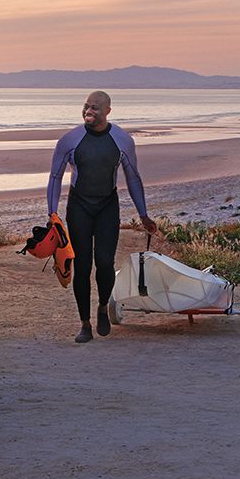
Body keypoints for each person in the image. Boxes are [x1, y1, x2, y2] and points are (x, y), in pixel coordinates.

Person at [46, 92, 154, 344]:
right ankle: (85, 324)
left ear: (107, 111)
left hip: (107, 205)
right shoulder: (69, 140)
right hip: (79, 205)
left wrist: (143, 214)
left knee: (105, 263)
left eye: (94, 107)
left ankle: (103, 307)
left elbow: (133, 178)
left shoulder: (122, 141)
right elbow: (54, 177)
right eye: (86, 106)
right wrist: (52, 214)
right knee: (82, 266)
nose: (88, 111)